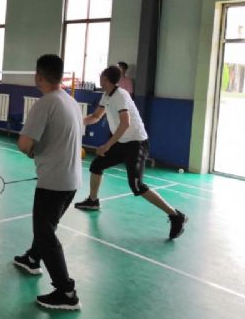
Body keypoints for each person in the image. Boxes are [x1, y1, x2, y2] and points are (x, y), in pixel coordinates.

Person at [74, 65, 187, 239]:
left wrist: (107, 145)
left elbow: (125, 123)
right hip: (122, 141)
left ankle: (175, 215)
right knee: (97, 165)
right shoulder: (106, 95)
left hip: (136, 143)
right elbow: (96, 116)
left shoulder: (120, 96)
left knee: (136, 185)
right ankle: (93, 201)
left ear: (106, 79)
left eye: (101, 75)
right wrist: (76, 121)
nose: (99, 77)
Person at [13, 54, 83, 310]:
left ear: (39, 76)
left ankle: (66, 292)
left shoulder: (45, 104)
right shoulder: (71, 101)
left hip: (53, 182)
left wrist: (31, 150)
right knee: (47, 226)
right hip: (72, 180)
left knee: (45, 234)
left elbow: (24, 144)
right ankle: (33, 258)